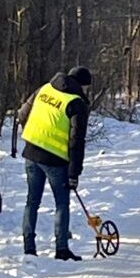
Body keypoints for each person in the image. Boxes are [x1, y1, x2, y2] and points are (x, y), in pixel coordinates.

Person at [17, 66, 92, 261]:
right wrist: (74, 173)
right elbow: (76, 141)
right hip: (55, 161)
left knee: (32, 201)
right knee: (61, 203)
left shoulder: (45, 89)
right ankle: (61, 249)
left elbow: (23, 113)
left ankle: (29, 247)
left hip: (32, 153)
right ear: (83, 86)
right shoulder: (76, 104)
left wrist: (32, 135)